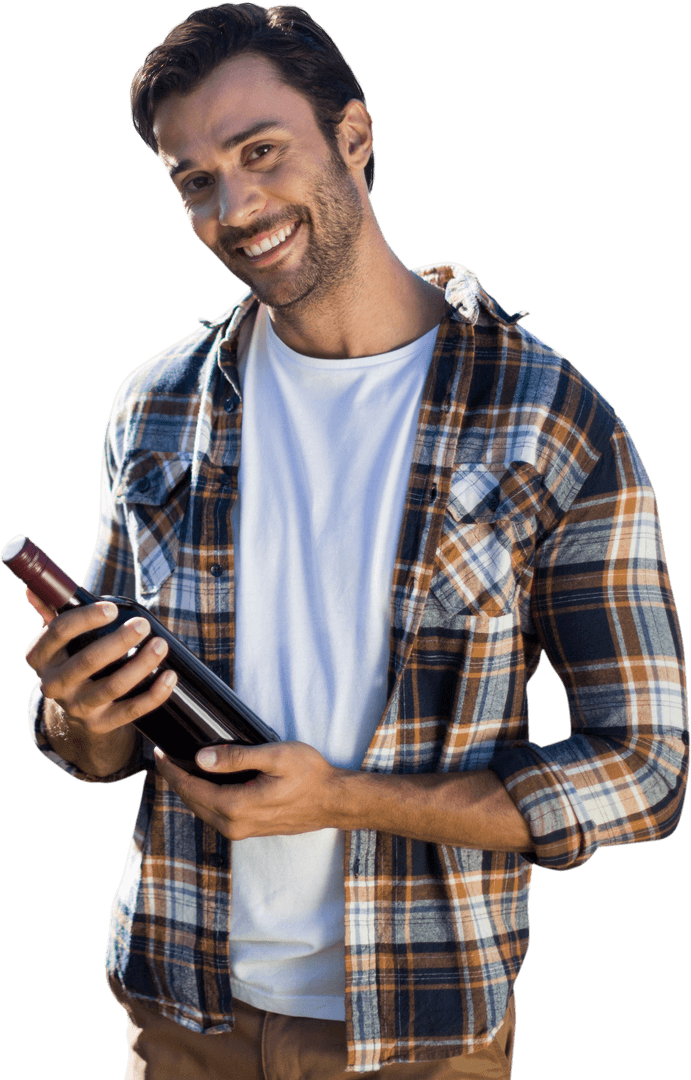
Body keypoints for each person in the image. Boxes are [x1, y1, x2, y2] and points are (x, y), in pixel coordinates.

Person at [22, 4, 688, 1077]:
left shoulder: (548, 416)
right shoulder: (156, 407)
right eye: (194, 180)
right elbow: (102, 745)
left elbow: (646, 767)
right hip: (180, 1016)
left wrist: (343, 799)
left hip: (418, 1034)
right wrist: (75, 712)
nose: (234, 206)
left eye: (259, 152)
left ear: (355, 136)